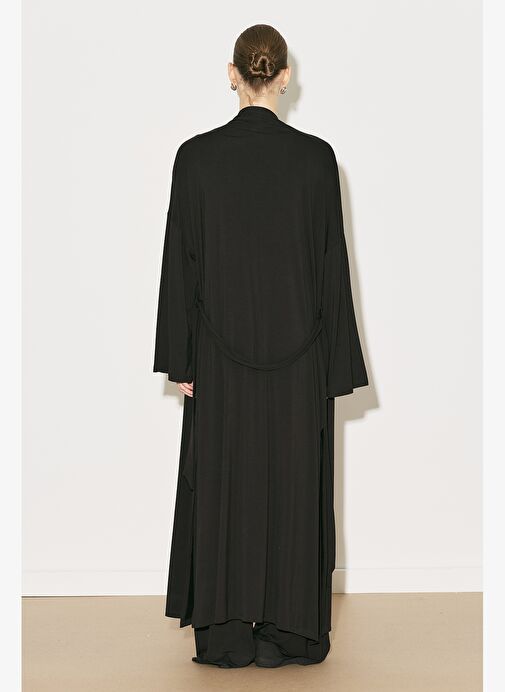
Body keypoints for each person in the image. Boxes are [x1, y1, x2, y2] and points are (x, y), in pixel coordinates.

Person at [153, 23, 368, 668]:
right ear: (283, 77)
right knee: (295, 488)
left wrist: (181, 357)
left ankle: (224, 635)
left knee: (223, 488)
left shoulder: (194, 159)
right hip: (302, 359)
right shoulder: (317, 160)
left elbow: (181, 264)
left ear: (233, 74)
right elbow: (331, 269)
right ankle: (292, 632)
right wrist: (335, 365)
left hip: (218, 360)